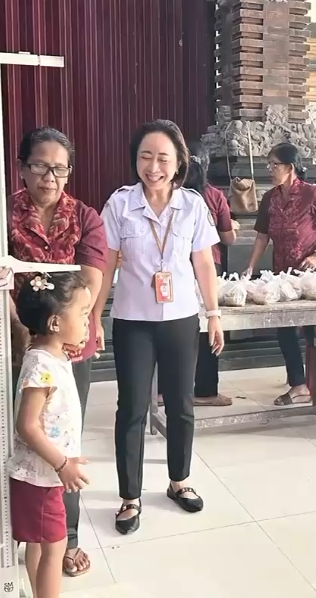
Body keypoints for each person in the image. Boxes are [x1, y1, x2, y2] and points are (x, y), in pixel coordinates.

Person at [0, 127, 106, 591]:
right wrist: (17, 329)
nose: (49, 177)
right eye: (39, 166)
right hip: (7, 343)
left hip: (69, 347)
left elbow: (91, 278)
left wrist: (71, 327)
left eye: (59, 168)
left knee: (62, 442)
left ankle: (67, 539)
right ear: (21, 167)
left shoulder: (85, 217)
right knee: (5, 445)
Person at [93, 120, 223, 531]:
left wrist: (214, 313)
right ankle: (129, 497)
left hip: (181, 318)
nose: (153, 167)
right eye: (145, 157)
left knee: (181, 405)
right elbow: (105, 264)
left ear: (179, 162)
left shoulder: (193, 206)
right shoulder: (119, 204)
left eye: (163, 158)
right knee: (131, 408)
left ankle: (179, 481)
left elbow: (204, 263)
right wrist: (93, 316)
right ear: (135, 160)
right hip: (133, 320)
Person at [8, 273, 93, 598]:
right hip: (42, 477)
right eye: (84, 313)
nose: (89, 321)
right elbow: (27, 425)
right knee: (53, 548)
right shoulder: (40, 365)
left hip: (43, 476)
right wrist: (62, 463)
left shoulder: (53, 356)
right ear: (56, 322)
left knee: (41, 546)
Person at [243, 141, 316, 406]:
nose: (270, 169)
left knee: (313, 328)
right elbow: (262, 236)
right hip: (282, 275)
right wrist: (251, 265)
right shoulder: (270, 198)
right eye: (269, 164)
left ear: (290, 168)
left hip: (310, 273)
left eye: (274, 165)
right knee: (285, 329)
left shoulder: (312, 194)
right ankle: (298, 384)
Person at [186, 155, 237, 407]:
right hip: (207, 266)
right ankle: (205, 391)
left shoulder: (170, 194)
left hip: (175, 269)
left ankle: (163, 390)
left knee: (174, 328)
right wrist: (232, 228)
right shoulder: (214, 196)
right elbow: (228, 238)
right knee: (208, 326)